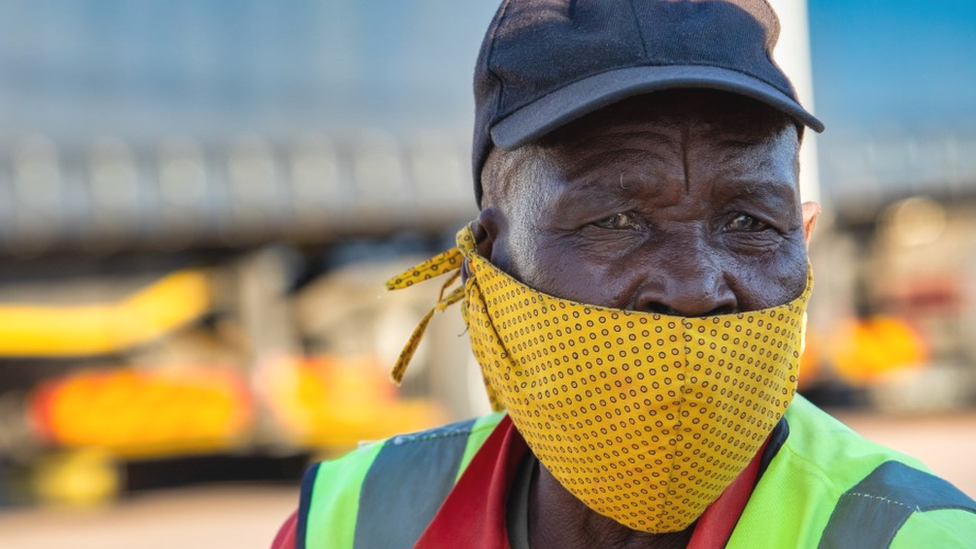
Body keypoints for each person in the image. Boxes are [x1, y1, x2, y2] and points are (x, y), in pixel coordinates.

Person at [273, 1, 976, 547]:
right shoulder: (351, 521)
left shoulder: (919, 534)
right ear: (486, 265)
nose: (695, 287)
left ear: (807, 239)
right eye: (614, 221)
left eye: (749, 223)